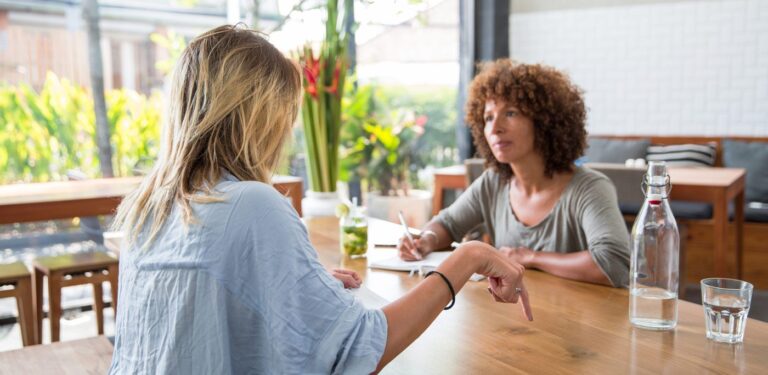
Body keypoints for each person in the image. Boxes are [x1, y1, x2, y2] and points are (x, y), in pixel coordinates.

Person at [108, 25, 532, 374]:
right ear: (260, 116)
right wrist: (469, 257)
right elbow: (358, 351)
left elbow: (195, 316)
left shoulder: (148, 209)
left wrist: (290, 283)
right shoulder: (251, 205)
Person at [399, 59, 630, 287]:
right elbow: (448, 224)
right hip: (510, 309)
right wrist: (426, 240)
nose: (495, 128)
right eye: (488, 117)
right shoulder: (494, 182)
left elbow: (614, 262)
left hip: (577, 311)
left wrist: (531, 257)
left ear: (544, 121)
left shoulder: (590, 188)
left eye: (510, 113)